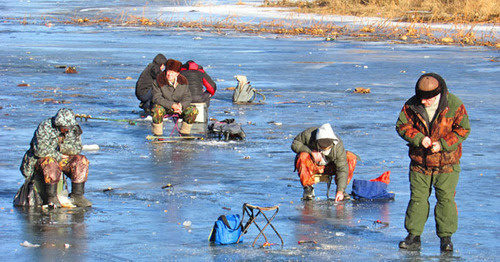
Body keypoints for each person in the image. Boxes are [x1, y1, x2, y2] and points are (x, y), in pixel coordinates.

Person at [396, 73, 470, 252]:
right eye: (422, 98)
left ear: (438, 95)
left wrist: (442, 144)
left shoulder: (454, 105)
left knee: (445, 200)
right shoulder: (411, 105)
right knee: (417, 199)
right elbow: (402, 126)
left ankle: (446, 238)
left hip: (447, 165)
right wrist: (419, 138)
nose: (424, 102)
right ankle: (413, 236)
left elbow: (463, 130)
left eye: (428, 100)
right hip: (419, 163)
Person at [19, 108, 92, 207]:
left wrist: (61, 148)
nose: (65, 129)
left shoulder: (73, 129)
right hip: (39, 161)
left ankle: (77, 195)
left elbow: (77, 148)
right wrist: (60, 155)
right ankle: (51, 197)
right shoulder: (45, 127)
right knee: (50, 162)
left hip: (60, 158)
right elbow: (40, 151)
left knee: (81, 160)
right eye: (63, 127)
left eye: (67, 127)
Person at [291, 123, 355, 202]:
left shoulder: (338, 145)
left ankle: (341, 190)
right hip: (313, 165)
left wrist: (340, 190)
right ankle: (308, 188)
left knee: (350, 157)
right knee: (303, 156)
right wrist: (311, 151)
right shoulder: (308, 134)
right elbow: (295, 144)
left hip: (330, 167)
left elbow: (342, 168)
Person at [151, 59, 199, 136]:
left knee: (193, 110)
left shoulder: (183, 81)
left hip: (179, 107)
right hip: (164, 107)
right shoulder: (158, 81)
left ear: (177, 73)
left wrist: (181, 105)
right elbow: (157, 98)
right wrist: (172, 105)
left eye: (172, 72)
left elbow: (188, 97)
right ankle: (157, 134)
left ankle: (185, 133)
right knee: (157, 110)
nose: (169, 74)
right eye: (168, 71)